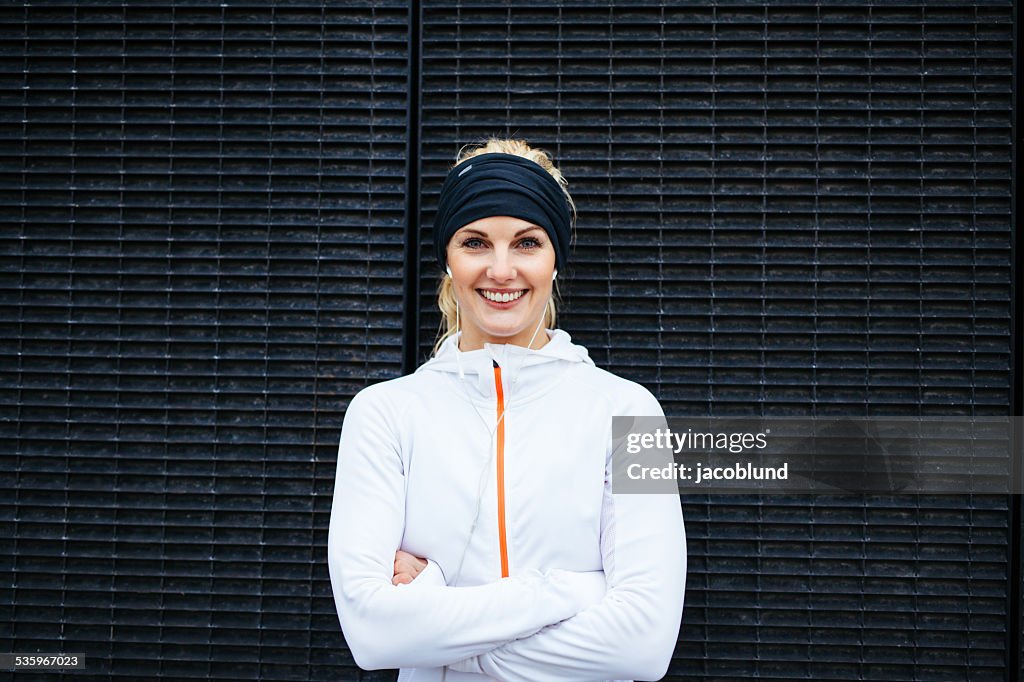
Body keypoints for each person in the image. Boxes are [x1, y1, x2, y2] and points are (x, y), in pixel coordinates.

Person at [327, 138, 686, 681]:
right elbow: (374, 636)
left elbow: (644, 645)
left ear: (554, 258)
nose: (500, 270)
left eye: (525, 243)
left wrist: (441, 632)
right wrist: (572, 589)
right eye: (475, 242)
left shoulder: (630, 413)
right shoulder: (383, 415)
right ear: (447, 257)